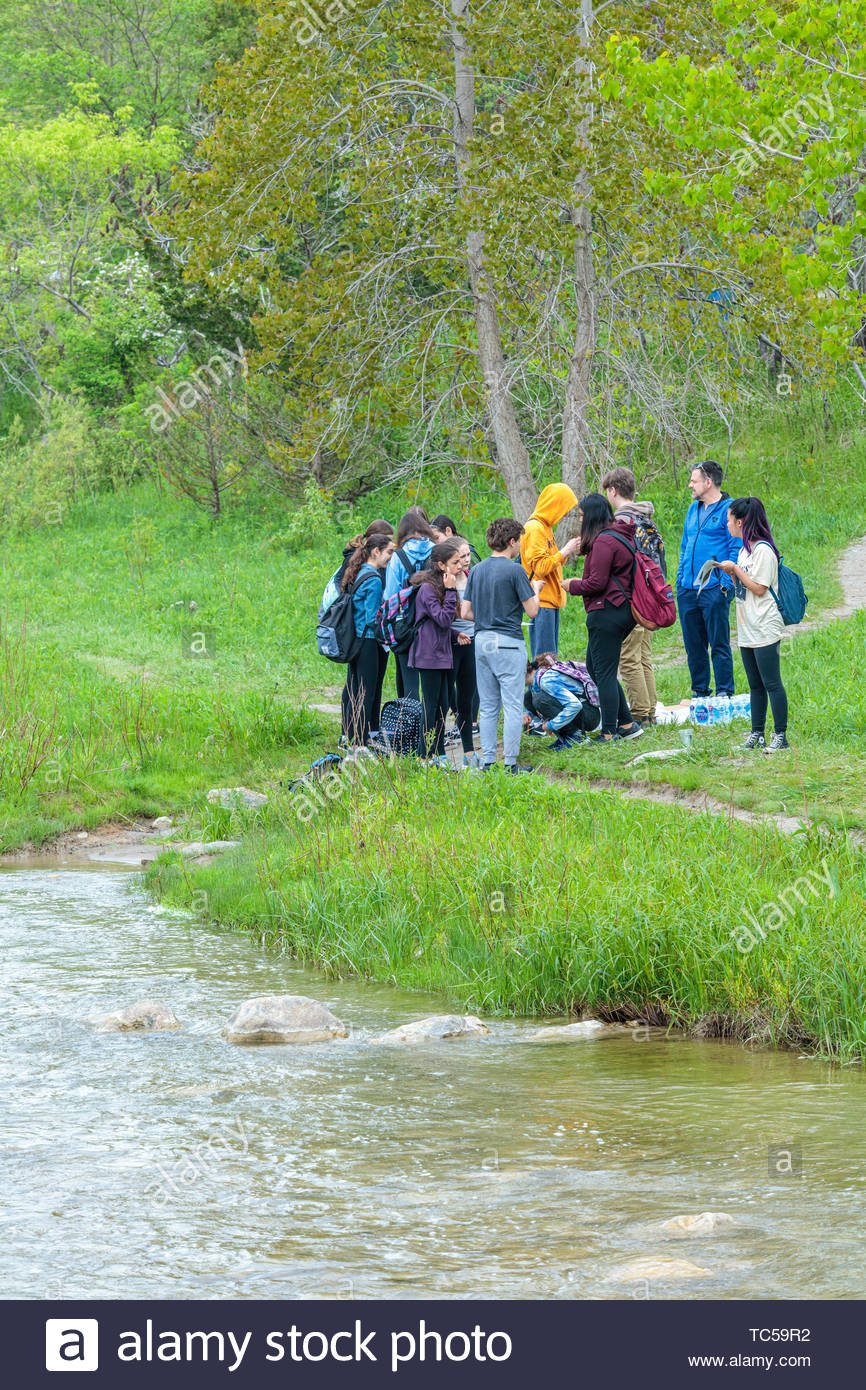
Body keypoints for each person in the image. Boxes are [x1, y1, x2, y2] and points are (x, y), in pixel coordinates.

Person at [461, 518, 541, 773]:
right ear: (511, 541)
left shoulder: (477, 569)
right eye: (519, 540)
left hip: (483, 640)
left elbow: (465, 612)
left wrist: (487, 616)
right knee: (513, 704)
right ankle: (510, 763)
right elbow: (532, 611)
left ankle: (487, 762)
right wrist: (536, 589)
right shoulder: (515, 570)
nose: (519, 546)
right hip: (508, 642)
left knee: (488, 705)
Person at [563, 493, 643, 742]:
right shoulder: (617, 536)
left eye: (582, 516)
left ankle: (609, 731)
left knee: (604, 673)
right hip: (618, 610)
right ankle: (628, 723)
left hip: (608, 612)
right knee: (595, 669)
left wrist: (572, 584)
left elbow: (595, 583)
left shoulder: (604, 542)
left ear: (592, 516)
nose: (580, 520)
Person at [717, 497, 789, 753]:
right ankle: (757, 733)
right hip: (747, 626)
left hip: (765, 627)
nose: (727, 525)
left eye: (728, 520)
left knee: (772, 682)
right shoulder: (744, 550)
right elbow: (745, 584)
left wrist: (736, 569)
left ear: (740, 522)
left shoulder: (764, 551)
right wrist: (732, 573)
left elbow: (759, 588)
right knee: (755, 684)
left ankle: (780, 736)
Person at [602, 466, 666, 727]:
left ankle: (640, 713)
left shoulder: (623, 523)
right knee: (643, 655)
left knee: (628, 656)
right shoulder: (647, 519)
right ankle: (649, 709)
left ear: (613, 491)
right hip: (653, 597)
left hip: (633, 600)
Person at [676, 459, 741, 700]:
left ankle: (724, 691)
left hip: (714, 588)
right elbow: (684, 546)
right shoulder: (693, 509)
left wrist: (725, 584)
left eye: (694, 481)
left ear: (708, 482)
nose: (690, 486)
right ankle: (700, 691)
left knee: (719, 642)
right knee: (694, 645)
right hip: (688, 589)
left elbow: (736, 546)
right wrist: (681, 579)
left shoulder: (729, 509)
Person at [408, 539, 464, 765]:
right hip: (428, 656)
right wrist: (451, 591)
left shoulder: (440, 586)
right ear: (441, 565)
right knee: (430, 706)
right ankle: (423, 755)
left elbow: (440, 624)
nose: (460, 566)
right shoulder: (428, 589)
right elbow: (441, 619)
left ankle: (439, 753)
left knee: (442, 705)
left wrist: (454, 634)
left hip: (442, 653)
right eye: (455, 562)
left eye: (460, 561)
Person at [340, 532, 395, 747]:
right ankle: (361, 742)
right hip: (368, 641)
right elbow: (373, 618)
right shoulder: (373, 579)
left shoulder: (360, 571)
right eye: (389, 552)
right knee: (366, 693)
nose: (391, 557)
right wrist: (390, 634)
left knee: (355, 690)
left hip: (355, 640)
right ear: (376, 551)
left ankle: (350, 736)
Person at [519, 484, 581, 657]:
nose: (566, 514)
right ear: (555, 505)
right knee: (544, 660)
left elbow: (551, 562)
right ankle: (537, 685)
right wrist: (565, 550)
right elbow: (540, 567)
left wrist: (566, 553)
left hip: (550, 601)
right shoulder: (535, 528)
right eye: (564, 508)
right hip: (542, 602)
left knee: (550, 658)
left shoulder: (545, 527)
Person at [384, 509, 437, 699]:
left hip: (406, 624)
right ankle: (435, 725)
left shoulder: (398, 557)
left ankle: (411, 724)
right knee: (435, 680)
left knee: (409, 679)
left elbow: (391, 596)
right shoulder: (436, 551)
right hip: (434, 622)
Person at [523, 653, 601, 749]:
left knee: (540, 700)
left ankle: (577, 736)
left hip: (590, 715)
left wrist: (551, 725)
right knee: (529, 698)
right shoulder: (537, 677)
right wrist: (528, 713)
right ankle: (565, 737)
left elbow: (575, 705)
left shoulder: (546, 680)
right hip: (582, 712)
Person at [450, 536, 479, 768]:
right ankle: (437, 750)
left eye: (468, 555)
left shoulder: (472, 577)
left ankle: (468, 751)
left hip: (472, 640)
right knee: (447, 697)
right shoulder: (444, 581)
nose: (466, 561)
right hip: (450, 643)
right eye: (461, 557)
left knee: (467, 699)